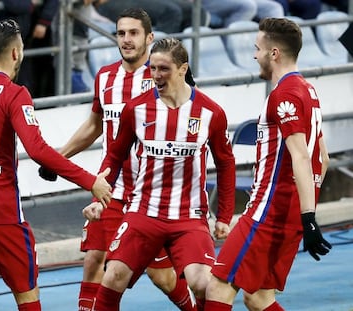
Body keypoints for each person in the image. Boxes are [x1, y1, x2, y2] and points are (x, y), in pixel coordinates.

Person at [0, 19, 111, 311]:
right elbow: (38, 150)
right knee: (27, 294)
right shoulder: (15, 95)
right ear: (17, 53)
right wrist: (90, 180)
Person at [38, 8, 200, 311]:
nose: (126, 40)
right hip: (109, 189)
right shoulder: (105, 77)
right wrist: (57, 159)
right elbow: (94, 125)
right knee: (94, 259)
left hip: (149, 196)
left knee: (161, 276)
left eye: (133, 33)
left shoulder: (162, 78)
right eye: (121, 33)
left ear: (150, 38)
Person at [85, 37, 236, 311]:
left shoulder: (210, 112)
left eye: (163, 69)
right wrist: (99, 195)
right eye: (153, 68)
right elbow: (115, 157)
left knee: (203, 283)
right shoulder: (136, 109)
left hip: (189, 217)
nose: (156, 75)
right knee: (113, 275)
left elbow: (226, 164)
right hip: (143, 213)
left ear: (182, 68)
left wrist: (224, 216)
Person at [205, 17, 332, 311]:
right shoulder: (308, 91)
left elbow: (302, 156)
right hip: (286, 212)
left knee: (219, 285)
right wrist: (303, 212)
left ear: (273, 53)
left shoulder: (284, 94)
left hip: (268, 212)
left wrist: (309, 216)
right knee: (259, 297)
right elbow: (322, 158)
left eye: (257, 48)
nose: (254, 55)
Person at [0, 0, 59, 98]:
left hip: (22, 38)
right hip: (0, 38)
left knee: (24, 79)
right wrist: (30, 4)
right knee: (0, 79)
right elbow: (12, 4)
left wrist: (43, 22)